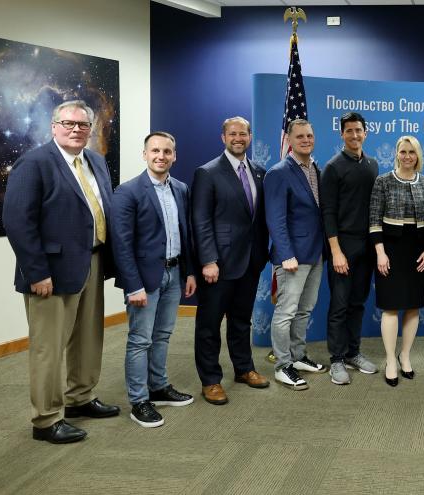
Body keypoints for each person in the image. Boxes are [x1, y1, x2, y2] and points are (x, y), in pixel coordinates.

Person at [2, 100, 120, 443]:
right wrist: (36, 271)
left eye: (83, 125)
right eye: (68, 123)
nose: (76, 130)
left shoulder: (96, 161)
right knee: (48, 347)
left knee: (88, 338)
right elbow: (17, 222)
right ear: (54, 127)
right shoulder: (35, 163)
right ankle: (46, 419)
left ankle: (80, 398)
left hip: (91, 261)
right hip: (49, 272)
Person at [111, 132, 197, 427]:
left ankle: (159, 387)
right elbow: (121, 244)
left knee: (162, 335)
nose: (161, 156)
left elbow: (185, 235)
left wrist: (189, 272)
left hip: (174, 273)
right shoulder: (128, 192)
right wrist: (132, 285)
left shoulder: (181, 189)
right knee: (140, 340)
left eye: (167, 151)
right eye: (155, 151)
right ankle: (139, 401)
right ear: (145, 154)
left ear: (175, 155)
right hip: (144, 279)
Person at [192, 116, 270, 405]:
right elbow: (200, 220)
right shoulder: (207, 172)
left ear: (250, 137)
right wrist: (208, 260)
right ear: (223, 138)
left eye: (244, 134)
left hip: (251, 260)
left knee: (241, 320)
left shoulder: (259, 172)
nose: (238, 138)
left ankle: (244, 368)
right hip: (219, 264)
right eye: (232, 134)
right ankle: (211, 380)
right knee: (209, 324)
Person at [263, 119, 328, 392]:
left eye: (309, 135)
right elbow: (275, 218)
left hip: (315, 253)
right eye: (300, 136)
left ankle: (298, 357)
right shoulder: (278, 172)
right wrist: (286, 254)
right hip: (291, 257)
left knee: (305, 309)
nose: (306, 140)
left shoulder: (316, 168)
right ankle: (282, 365)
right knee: (286, 312)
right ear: (289, 140)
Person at [369, 136, 424, 387]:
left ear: (418, 156)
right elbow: (374, 220)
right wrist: (380, 253)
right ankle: (390, 360)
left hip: (417, 250)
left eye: (412, 152)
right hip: (390, 250)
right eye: (403, 151)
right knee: (391, 306)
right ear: (396, 154)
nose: (407, 156)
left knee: (413, 306)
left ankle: (405, 355)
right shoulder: (382, 181)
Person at [320, 112, 379, 385]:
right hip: (342, 245)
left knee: (357, 303)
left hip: (367, 247)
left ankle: (353, 352)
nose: (354, 135)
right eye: (349, 131)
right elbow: (328, 212)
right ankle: (336, 360)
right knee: (339, 305)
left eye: (359, 130)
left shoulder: (372, 165)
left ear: (365, 133)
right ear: (341, 134)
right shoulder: (333, 167)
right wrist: (336, 251)